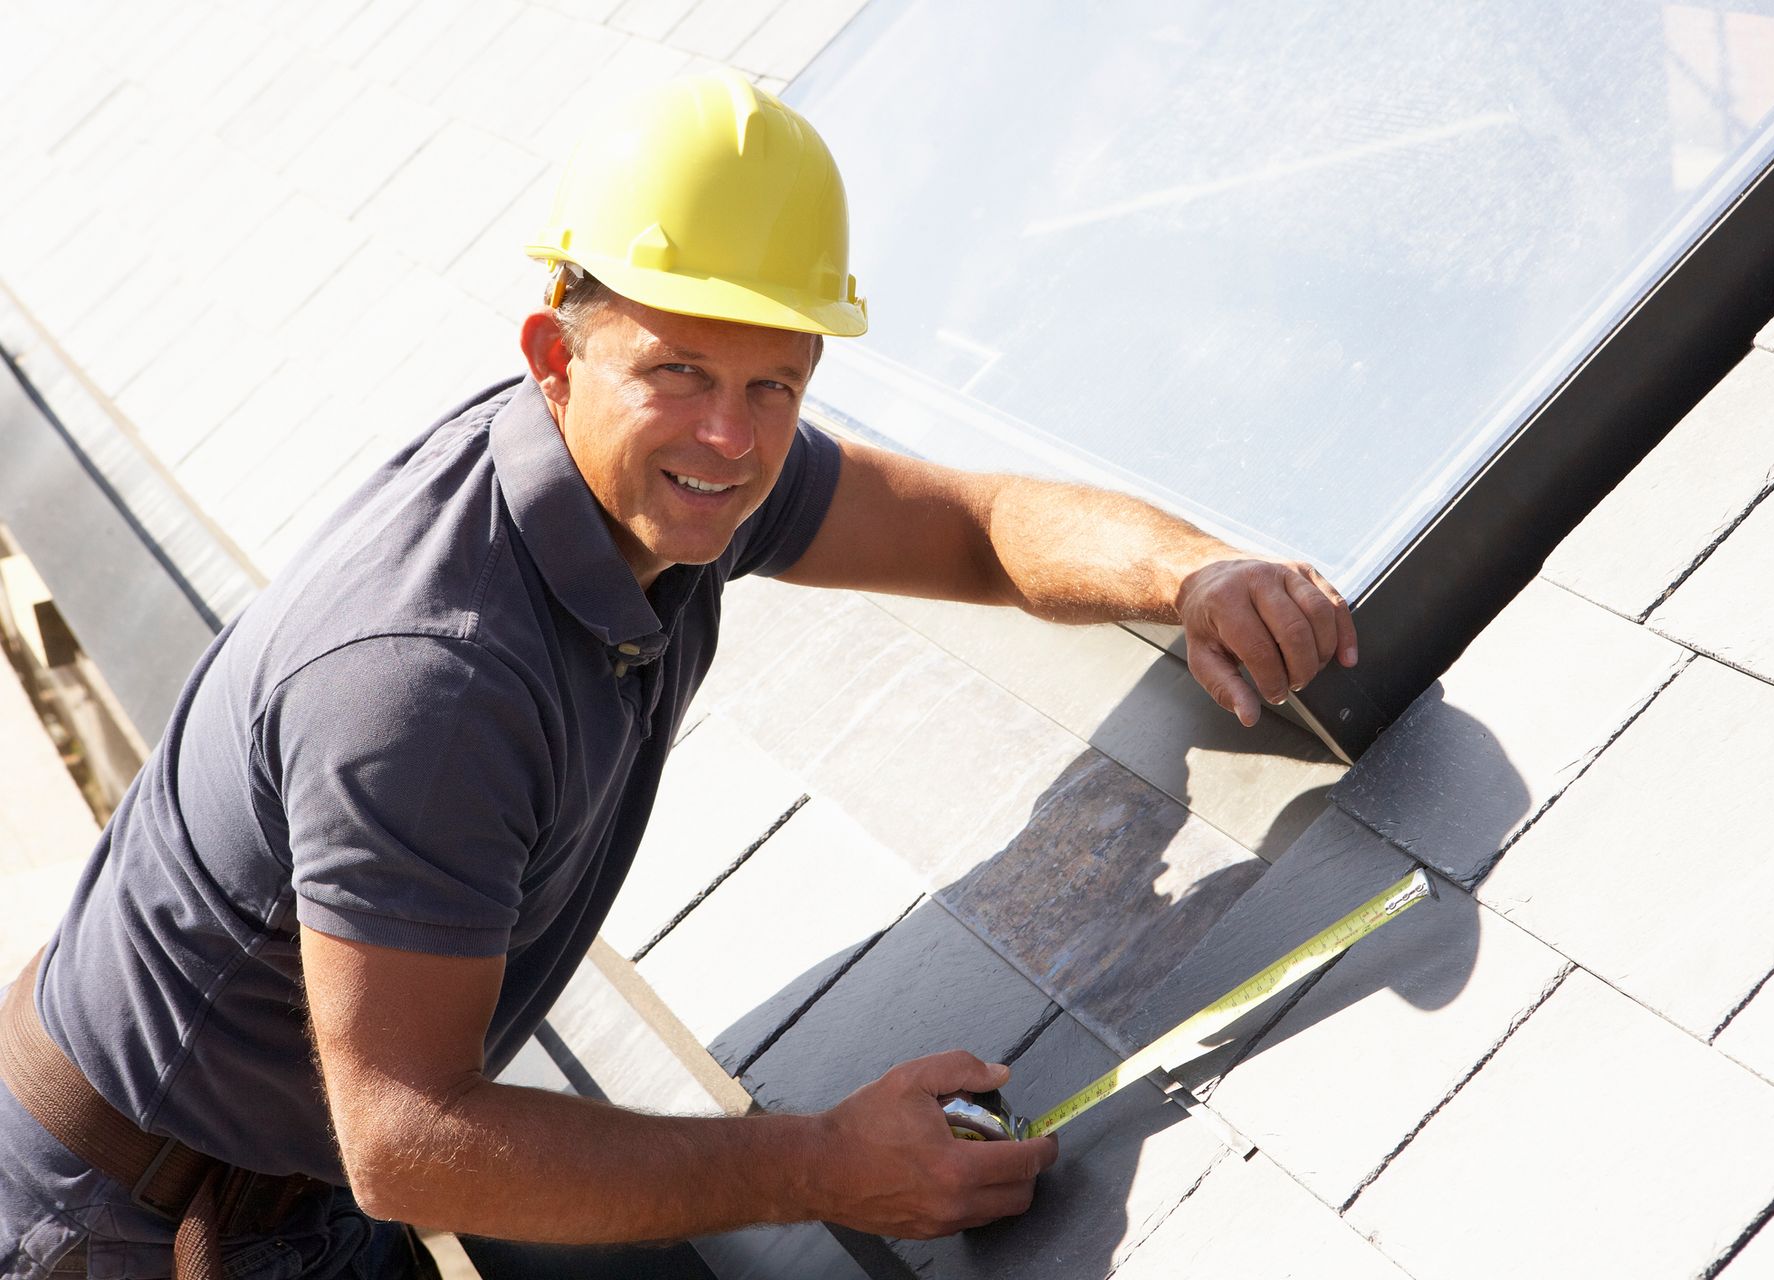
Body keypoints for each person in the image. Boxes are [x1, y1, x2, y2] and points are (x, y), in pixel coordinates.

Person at [0, 71, 1357, 1279]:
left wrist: (1192, 574)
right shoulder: (435, 681)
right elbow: (410, 1142)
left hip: (274, 1177)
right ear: (555, 359)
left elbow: (972, 526)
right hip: (110, 1225)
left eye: (780, 382)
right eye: (681, 368)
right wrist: (817, 1165)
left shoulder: (674, 481)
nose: (730, 433)